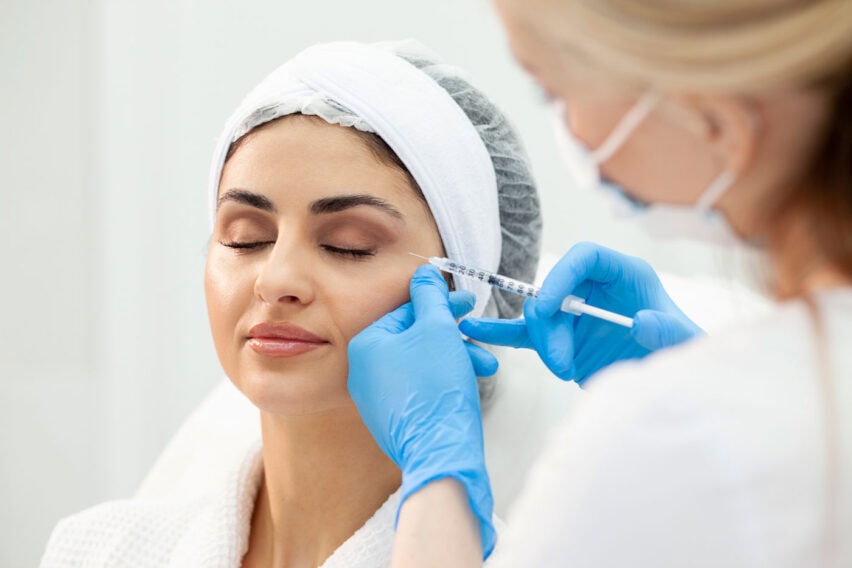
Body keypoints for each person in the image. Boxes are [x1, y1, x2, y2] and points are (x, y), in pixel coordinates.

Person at [346, 1, 852, 566]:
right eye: (245, 238)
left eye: (553, 92)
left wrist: (437, 475)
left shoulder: (661, 430)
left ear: (716, 121)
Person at [39, 40, 541, 567]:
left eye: (348, 244)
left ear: (465, 290)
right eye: (245, 237)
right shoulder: (97, 551)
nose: (276, 279)